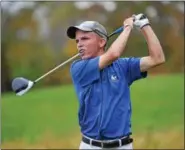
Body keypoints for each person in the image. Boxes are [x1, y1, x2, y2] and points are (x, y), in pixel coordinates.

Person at [66, 13, 165, 149]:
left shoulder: (124, 66)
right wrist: (128, 28)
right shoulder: (78, 68)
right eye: (77, 41)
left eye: (85, 39)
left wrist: (144, 25)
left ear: (101, 42)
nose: (79, 45)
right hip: (90, 146)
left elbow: (157, 58)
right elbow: (113, 54)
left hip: (122, 146)